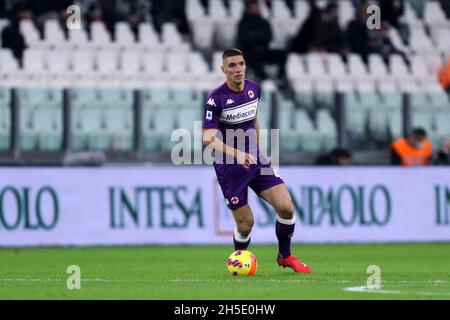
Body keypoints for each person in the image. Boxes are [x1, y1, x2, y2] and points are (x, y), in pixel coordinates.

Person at [203, 48, 311, 273]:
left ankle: (285, 256)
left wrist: (257, 149)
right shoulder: (216, 98)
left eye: (241, 64)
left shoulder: (254, 89)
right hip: (229, 166)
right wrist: (237, 154)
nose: (238, 69)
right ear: (223, 69)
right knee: (246, 224)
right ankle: (238, 259)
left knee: (286, 207)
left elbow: (253, 119)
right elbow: (207, 138)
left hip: (255, 160)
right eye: (232, 65)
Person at [236, 0, 287, 82]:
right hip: (249, 51)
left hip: (263, 49)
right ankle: (262, 76)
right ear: (248, 9)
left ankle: (280, 77)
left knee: (282, 54)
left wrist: (256, 38)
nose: (256, 9)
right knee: (251, 56)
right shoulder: (243, 23)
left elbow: (269, 37)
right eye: (254, 8)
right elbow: (243, 39)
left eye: (257, 7)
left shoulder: (264, 22)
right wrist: (258, 38)